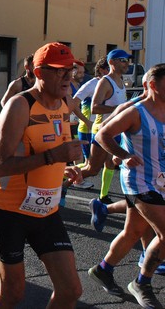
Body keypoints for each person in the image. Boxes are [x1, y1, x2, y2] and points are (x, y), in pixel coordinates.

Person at [0, 42, 86, 307]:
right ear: (39, 72)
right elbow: (0, 166)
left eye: (70, 69)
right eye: (59, 71)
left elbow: (52, 149)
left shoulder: (66, 103)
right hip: (9, 209)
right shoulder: (20, 106)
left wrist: (65, 167)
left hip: (46, 209)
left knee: (71, 289)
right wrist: (53, 157)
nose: (68, 76)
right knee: (13, 293)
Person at [88, 64, 165, 308]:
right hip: (139, 181)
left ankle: (103, 269)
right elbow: (102, 135)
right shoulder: (136, 112)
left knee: (133, 231)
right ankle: (142, 282)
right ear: (153, 85)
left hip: (160, 181)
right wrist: (122, 154)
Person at [79, 49, 131, 203]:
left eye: (128, 60)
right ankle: (63, 182)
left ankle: (103, 197)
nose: (126, 63)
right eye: (122, 60)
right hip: (102, 131)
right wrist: (120, 109)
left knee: (111, 163)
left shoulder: (121, 81)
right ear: (111, 62)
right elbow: (95, 107)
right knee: (92, 169)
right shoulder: (105, 82)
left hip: (115, 131)